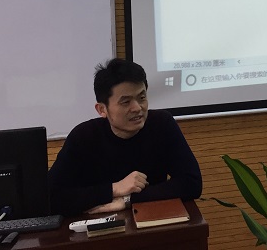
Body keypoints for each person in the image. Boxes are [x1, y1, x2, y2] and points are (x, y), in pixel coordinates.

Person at [48, 58, 202, 215]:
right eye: (126, 102)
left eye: (142, 97)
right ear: (102, 109)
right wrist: (114, 189)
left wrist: (128, 200)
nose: (137, 108)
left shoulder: (162, 124)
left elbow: (192, 183)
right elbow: (49, 197)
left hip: (149, 220)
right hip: (98, 224)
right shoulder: (83, 137)